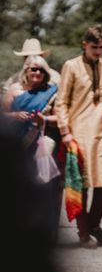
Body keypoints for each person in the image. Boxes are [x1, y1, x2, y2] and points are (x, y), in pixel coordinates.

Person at [57, 25, 102, 247]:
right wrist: (65, 131)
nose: (98, 51)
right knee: (81, 183)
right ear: (84, 45)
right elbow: (62, 101)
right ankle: (83, 231)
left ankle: (94, 224)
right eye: (94, 47)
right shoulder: (71, 66)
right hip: (79, 132)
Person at [1, 55, 62, 243]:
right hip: (15, 144)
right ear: (26, 71)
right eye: (33, 69)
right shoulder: (14, 90)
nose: (37, 73)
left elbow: (60, 118)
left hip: (40, 145)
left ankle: (45, 231)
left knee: (43, 186)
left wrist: (43, 119)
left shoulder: (52, 92)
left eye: (41, 70)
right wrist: (15, 115)